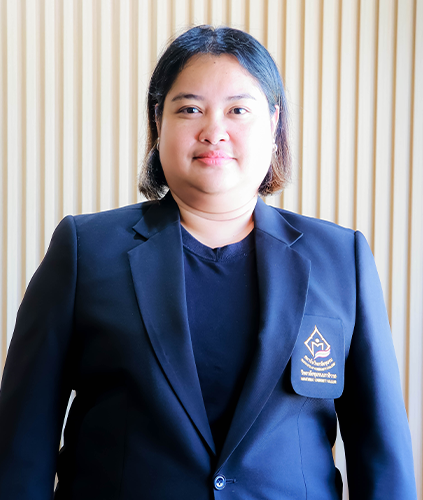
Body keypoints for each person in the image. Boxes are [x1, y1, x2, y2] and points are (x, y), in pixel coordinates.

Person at [0, 25, 416, 500]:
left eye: (238, 110)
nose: (214, 131)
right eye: (190, 109)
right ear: (159, 122)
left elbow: (382, 456)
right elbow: (21, 446)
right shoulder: (84, 250)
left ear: (274, 123)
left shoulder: (341, 258)